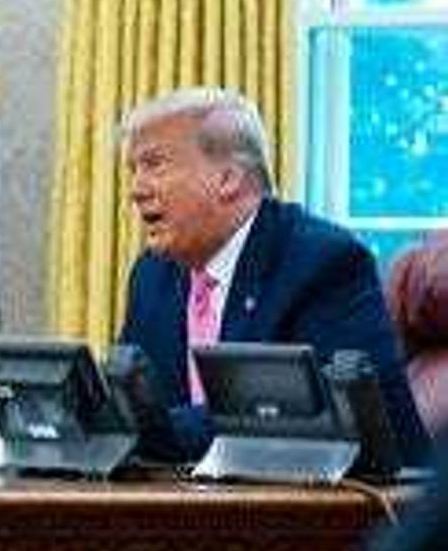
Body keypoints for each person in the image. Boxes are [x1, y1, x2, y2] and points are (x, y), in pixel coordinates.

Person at [119, 87, 428, 464]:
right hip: (196, 494)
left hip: (354, 497)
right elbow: (133, 406)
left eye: (154, 165)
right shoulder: (153, 275)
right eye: (134, 170)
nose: (136, 190)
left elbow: (312, 421)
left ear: (227, 178)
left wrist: (155, 431)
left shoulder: (322, 261)